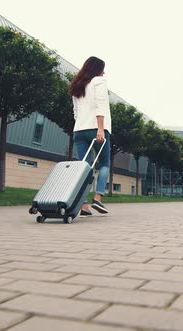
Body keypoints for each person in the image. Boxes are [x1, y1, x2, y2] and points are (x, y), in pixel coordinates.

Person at [69, 56, 111, 215]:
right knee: (104, 163)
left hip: (79, 130)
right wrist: (100, 129)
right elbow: (101, 105)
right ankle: (98, 198)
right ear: (98, 70)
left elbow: (76, 113)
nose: (104, 72)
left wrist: (81, 126)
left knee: (84, 168)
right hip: (97, 128)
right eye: (103, 69)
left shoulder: (76, 85)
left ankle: (83, 206)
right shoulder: (99, 82)